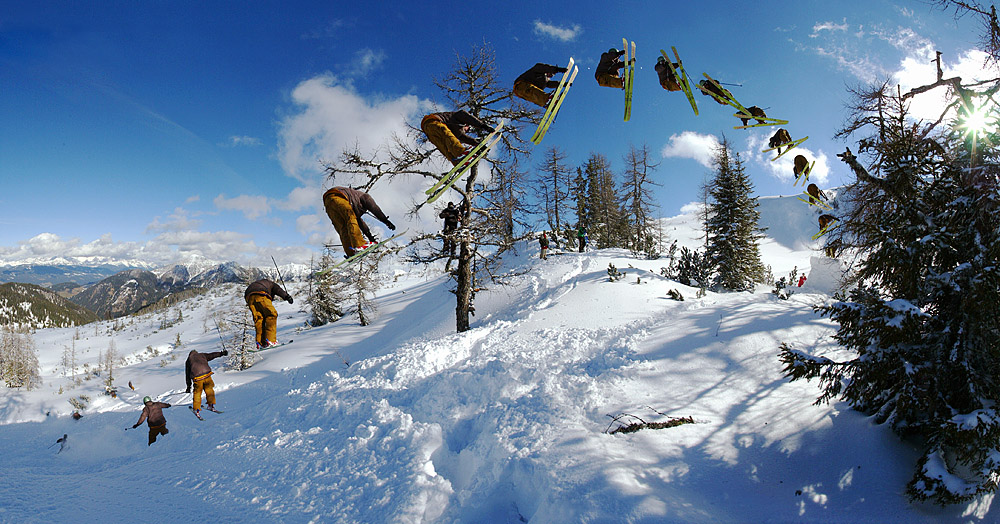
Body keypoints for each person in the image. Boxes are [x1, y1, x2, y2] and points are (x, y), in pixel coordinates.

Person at [322, 186, 396, 258]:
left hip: (328, 203)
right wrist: (386, 221)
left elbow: (361, 224)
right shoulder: (364, 197)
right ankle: (359, 245)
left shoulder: (352, 207)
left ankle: (350, 253)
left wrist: (370, 238)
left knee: (343, 229)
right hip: (338, 196)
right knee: (351, 219)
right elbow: (375, 209)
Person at [421, 111, 495, 165]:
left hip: (428, 131)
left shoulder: (457, 132)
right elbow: (468, 117)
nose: (466, 131)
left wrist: (478, 145)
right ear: (466, 124)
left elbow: (465, 138)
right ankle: (461, 153)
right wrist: (483, 126)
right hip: (434, 122)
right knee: (449, 136)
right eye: (467, 129)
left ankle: (456, 162)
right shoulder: (458, 117)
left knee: (444, 149)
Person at [244, 279, 293, 349]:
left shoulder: (261, 283)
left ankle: (261, 343)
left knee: (259, 319)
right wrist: (287, 297)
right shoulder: (272, 284)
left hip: (249, 297)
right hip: (261, 294)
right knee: (272, 314)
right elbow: (278, 290)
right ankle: (271, 341)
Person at [185, 349, 227, 416]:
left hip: (197, 378)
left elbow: (187, 375)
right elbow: (212, 355)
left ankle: (196, 409)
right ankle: (211, 406)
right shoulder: (201, 355)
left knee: (197, 393)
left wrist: (188, 387)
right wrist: (221, 353)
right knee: (209, 390)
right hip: (207, 374)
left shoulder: (188, 361)